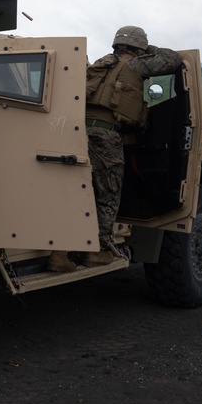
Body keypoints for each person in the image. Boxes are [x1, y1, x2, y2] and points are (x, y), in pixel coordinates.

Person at [48, 26, 184, 273]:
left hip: (74, 132)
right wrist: (147, 51)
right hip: (105, 136)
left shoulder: (102, 64)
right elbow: (172, 59)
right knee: (107, 194)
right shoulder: (135, 66)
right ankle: (96, 251)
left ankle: (59, 254)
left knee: (75, 192)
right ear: (138, 47)